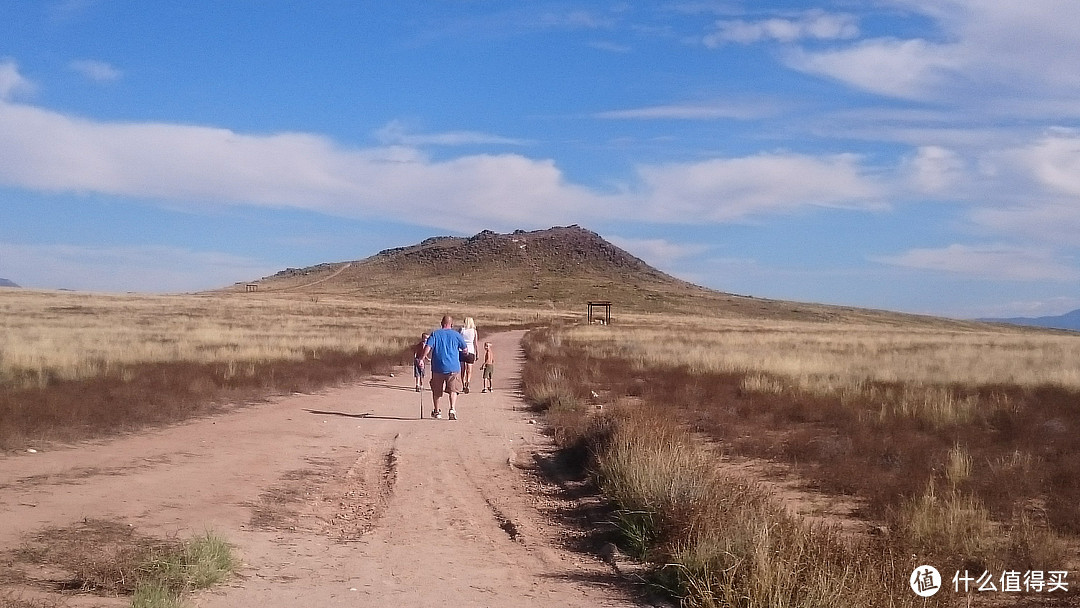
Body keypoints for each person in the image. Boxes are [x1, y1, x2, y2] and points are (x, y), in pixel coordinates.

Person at [423, 315, 467, 420]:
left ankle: (437, 411)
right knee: (453, 389)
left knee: (436, 390)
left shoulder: (435, 334)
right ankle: (452, 409)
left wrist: (422, 358)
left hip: (438, 366)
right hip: (453, 367)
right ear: (451, 324)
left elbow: (427, 347)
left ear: (441, 323)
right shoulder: (456, 335)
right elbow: (465, 349)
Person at [460, 316, 478, 393]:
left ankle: (463, 383)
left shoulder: (462, 330)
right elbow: (475, 343)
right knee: (469, 369)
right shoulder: (474, 331)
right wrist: (477, 353)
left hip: (461, 350)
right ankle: (468, 381)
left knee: (462, 369)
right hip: (471, 350)